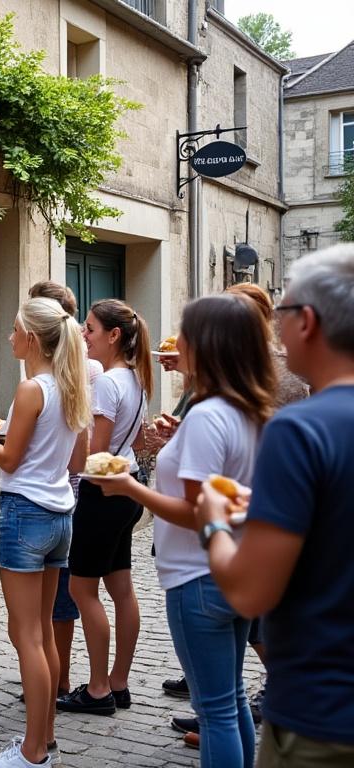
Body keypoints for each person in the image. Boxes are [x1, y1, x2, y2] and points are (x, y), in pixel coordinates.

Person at [87, 292, 275, 768]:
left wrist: (128, 488)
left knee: (214, 712)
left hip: (198, 576)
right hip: (229, 571)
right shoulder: (246, 407)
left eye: (186, 334)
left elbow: (196, 511)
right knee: (229, 702)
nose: (176, 343)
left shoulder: (210, 415)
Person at [196, 245, 354, 767]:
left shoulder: (305, 427)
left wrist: (214, 523)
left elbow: (247, 591)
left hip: (324, 715)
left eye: (281, 314)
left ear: (306, 321)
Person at [0, 297, 90, 768]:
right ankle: (44, 740)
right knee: (44, 634)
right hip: (60, 515)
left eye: (14, 330)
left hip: (25, 514)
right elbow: (72, 460)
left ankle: (31, 753)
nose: (9, 337)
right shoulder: (70, 385)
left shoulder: (33, 388)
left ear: (32, 337)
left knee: (26, 635)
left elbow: (8, 459)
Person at [58, 299, 151, 716]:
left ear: (114, 335)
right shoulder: (135, 379)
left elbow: (96, 456)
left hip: (102, 493)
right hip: (128, 489)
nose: (83, 334)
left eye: (90, 328)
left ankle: (98, 690)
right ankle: (119, 682)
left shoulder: (109, 383)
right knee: (120, 587)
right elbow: (132, 443)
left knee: (81, 589)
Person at [26, 282, 99, 699]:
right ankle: (51, 677)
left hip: (53, 494)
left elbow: (74, 449)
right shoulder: (54, 372)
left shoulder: (82, 368)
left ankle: (57, 678)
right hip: (62, 493)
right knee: (48, 601)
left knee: (55, 603)